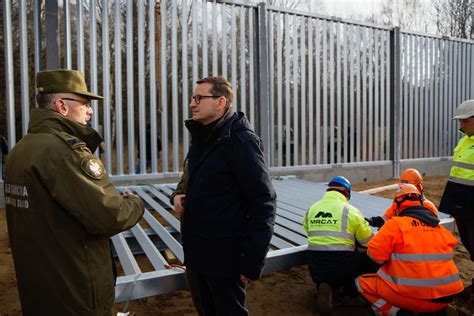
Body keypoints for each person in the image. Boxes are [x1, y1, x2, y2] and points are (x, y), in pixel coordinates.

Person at [4, 69, 145, 315]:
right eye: (85, 103)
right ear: (62, 105)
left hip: (39, 287)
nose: (90, 110)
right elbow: (110, 216)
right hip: (74, 291)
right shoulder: (64, 152)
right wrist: (135, 202)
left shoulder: (20, 150)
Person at [170, 76, 277, 316]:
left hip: (224, 259)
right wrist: (178, 194)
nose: (192, 104)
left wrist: (252, 261)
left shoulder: (241, 141)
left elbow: (264, 201)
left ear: (220, 102)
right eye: (192, 98)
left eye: (199, 98)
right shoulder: (202, 137)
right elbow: (192, 178)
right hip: (197, 254)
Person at [356, 183, 464, 315]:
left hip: (416, 298)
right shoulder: (438, 228)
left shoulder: (395, 224)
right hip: (446, 298)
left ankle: (398, 313)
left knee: (362, 283)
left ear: (396, 204)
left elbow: (375, 257)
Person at [302, 176, 376, 313]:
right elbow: (368, 242)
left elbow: (309, 233)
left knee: (328, 261)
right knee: (371, 257)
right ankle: (349, 293)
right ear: (347, 193)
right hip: (342, 266)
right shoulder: (351, 211)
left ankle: (324, 284)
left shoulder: (311, 209)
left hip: (315, 267)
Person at [439, 99, 474, 292]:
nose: (461, 125)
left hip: (472, 199)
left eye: (465, 121)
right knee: (467, 241)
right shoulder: (464, 141)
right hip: (459, 197)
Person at [366, 168, 438, 228]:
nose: (404, 190)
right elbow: (386, 218)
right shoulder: (399, 202)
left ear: (418, 187)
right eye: (402, 187)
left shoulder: (427, 207)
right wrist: (372, 221)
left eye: (407, 187)